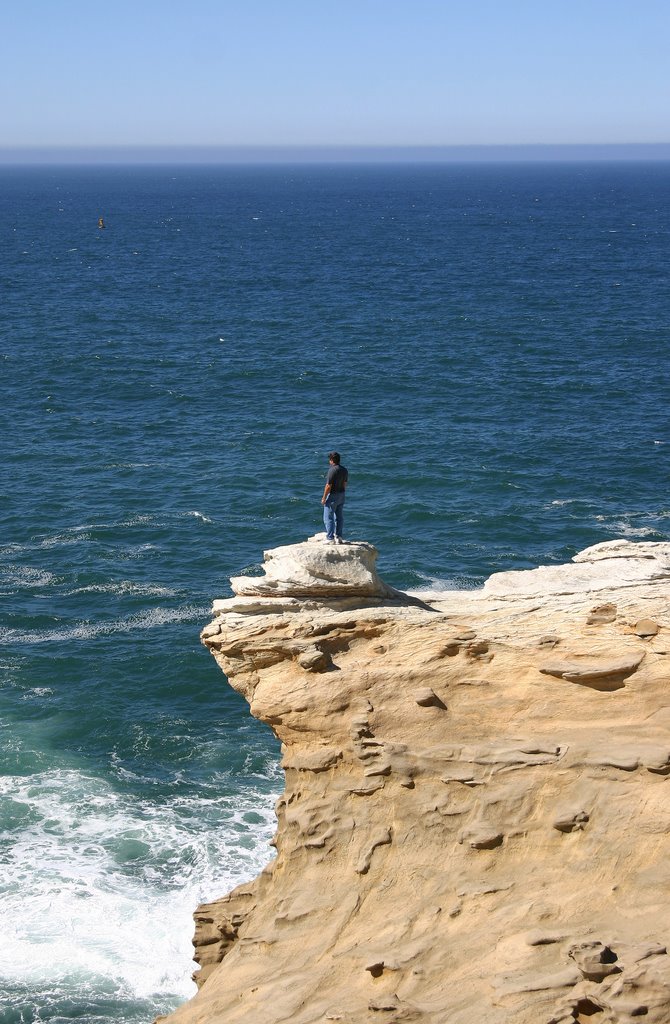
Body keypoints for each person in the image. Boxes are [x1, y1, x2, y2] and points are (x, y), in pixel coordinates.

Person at [321, 451, 348, 543]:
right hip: (342, 494)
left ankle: (330, 538)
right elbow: (345, 484)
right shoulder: (344, 470)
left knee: (328, 517)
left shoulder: (332, 470)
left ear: (332, 460)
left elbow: (328, 486)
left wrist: (324, 498)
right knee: (339, 517)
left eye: (330, 460)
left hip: (333, 495)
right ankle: (339, 537)